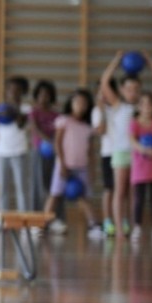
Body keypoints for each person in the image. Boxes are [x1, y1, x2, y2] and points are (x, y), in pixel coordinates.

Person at [99, 50, 152, 240]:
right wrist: (116, 60)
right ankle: (119, 228)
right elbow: (104, 82)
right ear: (121, 90)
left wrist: (150, 61)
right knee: (119, 191)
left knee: (132, 193)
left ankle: (128, 223)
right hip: (120, 152)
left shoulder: (142, 106)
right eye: (129, 89)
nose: (133, 93)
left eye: (136, 89)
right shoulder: (117, 104)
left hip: (138, 155)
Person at [42, 89, 100, 237]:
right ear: (71, 103)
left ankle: (93, 225)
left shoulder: (87, 127)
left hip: (81, 167)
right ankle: (43, 224)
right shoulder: (64, 121)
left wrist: (92, 170)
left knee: (85, 196)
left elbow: (90, 151)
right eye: (77, 102)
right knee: (55, 194)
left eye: (84, 103)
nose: (80, 105)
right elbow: (58, 143)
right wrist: (62, 164)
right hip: (64, 166)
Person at [0, 75, 30, 222]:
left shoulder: (26, 108)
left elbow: (21, 124)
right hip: (2, 153)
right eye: (10, 89)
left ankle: (24, 221)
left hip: (19, 152)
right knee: (2, 189)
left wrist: (13, 110)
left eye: (17, 90)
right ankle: (1, 220)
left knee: (21, 189)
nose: (13, 92)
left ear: (22, 92)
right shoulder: (0, 108)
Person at [130, 92, 152, 242]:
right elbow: (132, 141)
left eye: (150, 104)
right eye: (143, 104)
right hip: (139, 168)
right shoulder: (134, 123)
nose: (147, 107)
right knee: (139, 199)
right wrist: (143, 149)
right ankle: (137, 227)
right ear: (139, 107)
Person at [29, 80, 63, 229]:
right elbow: (35, 129)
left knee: (55, 185)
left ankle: (55, 218)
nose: (44, 97)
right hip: (39, 151)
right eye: (41, 94)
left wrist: (55, 144)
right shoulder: (34, 112)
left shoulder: (56, 114)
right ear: (37, 96)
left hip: (55, 152)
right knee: (39, 185)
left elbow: (60, 132)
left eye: (47, 95)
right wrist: (48, 141)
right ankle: (36, 218)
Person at [91, 81, 118, 236]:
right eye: (100, 92)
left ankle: (122, 220)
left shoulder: (120, 107)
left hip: (123, 152)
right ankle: (108, 221)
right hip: (108, 153)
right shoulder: (97, 111)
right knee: (109, 188)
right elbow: (101, 130)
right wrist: (102, 110)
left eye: (106, 91)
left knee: (122, 190)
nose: (103, 95)